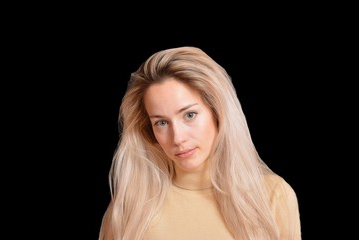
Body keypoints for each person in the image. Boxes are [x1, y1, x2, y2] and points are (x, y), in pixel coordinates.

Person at [98, 46, 301, 240]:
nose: (178, 138)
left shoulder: (273, 196)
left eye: (190, 115)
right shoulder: (130, 207)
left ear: (218, 112)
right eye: (161, 122)